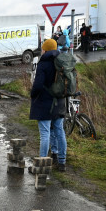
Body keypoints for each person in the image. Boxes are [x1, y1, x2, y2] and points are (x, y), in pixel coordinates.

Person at [29, 39, 67, 171]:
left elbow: (38, 85)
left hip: (45, 103)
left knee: (45, 134)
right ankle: (61, 162)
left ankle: (42, 164)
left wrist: (32, 94)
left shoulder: (43, 63)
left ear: (46, 49)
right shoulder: (62, 61)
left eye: (43, 48)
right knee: (59, 131)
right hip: (60, 101)